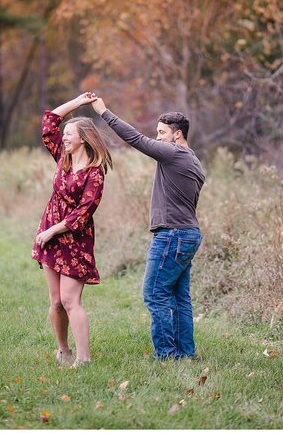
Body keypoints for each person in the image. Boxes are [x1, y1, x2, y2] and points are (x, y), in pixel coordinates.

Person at [91, 96, 205, 360]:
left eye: (162, 133)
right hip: (188, 233)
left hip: (172, 234)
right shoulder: (194, 161)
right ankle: (185, 354)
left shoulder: (174, 153)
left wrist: (104, 112)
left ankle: (166, 355)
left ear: (178, 135)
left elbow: (136, 140)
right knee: (179, 297)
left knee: (154, 294)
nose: (157, 138)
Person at [32, 92, 112, 368]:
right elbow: (49, 123)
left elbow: (84, 211)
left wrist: (53, 231)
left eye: (70, 134)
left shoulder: (95, 172)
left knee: (70, 300)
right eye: (64, 134)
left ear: (83, 139)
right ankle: (63, 350)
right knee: (55, 301)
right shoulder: (61, 158)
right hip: (50, 233)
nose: (64, 137)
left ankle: (84, 358)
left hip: (74, 238)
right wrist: (78, 103)